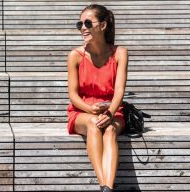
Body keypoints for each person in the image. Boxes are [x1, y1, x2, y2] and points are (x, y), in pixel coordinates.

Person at [66, 4, 128, 192]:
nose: (83, 28)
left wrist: (109, 113)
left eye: (87, 23)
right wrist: (89, 108)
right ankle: (106, 187)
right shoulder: (75, 56)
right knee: (94, 123)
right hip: (82, 111)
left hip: (113, 110)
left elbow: (119, 92)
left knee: (109, 131)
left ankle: (105, 188)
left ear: (102, 26)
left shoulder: (120, 53)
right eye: (80, 24)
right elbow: (73, 95)